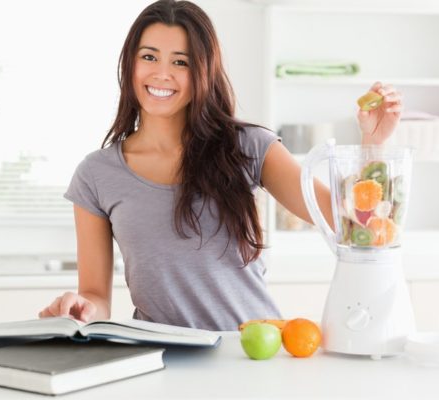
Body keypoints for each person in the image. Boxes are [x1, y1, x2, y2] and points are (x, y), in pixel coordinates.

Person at [38, 0, 402, 331]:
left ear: (202, 74)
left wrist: (373, 144)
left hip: (253, 353)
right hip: (163, 359)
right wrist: (80, 307)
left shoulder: (249, 147)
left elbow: (349, 223)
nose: (162, 73)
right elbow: (96, 297)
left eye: (180, 62)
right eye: (149, 57)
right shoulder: (97, 175)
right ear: (129, 63)